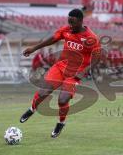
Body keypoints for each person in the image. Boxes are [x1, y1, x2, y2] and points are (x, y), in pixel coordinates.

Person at [19, 9, 101, 138]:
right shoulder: (66, 30)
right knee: (43, 92)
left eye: (73, 22)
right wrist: (34, 48)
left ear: (80, 21)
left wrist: (84, 72)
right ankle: (31, 109)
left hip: (75, 74)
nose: (70, 25)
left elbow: (97, 57)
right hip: (59, 67)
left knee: (63, 100)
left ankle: (61, 123)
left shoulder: (91, 38)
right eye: (69, 22)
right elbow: (52, 39)